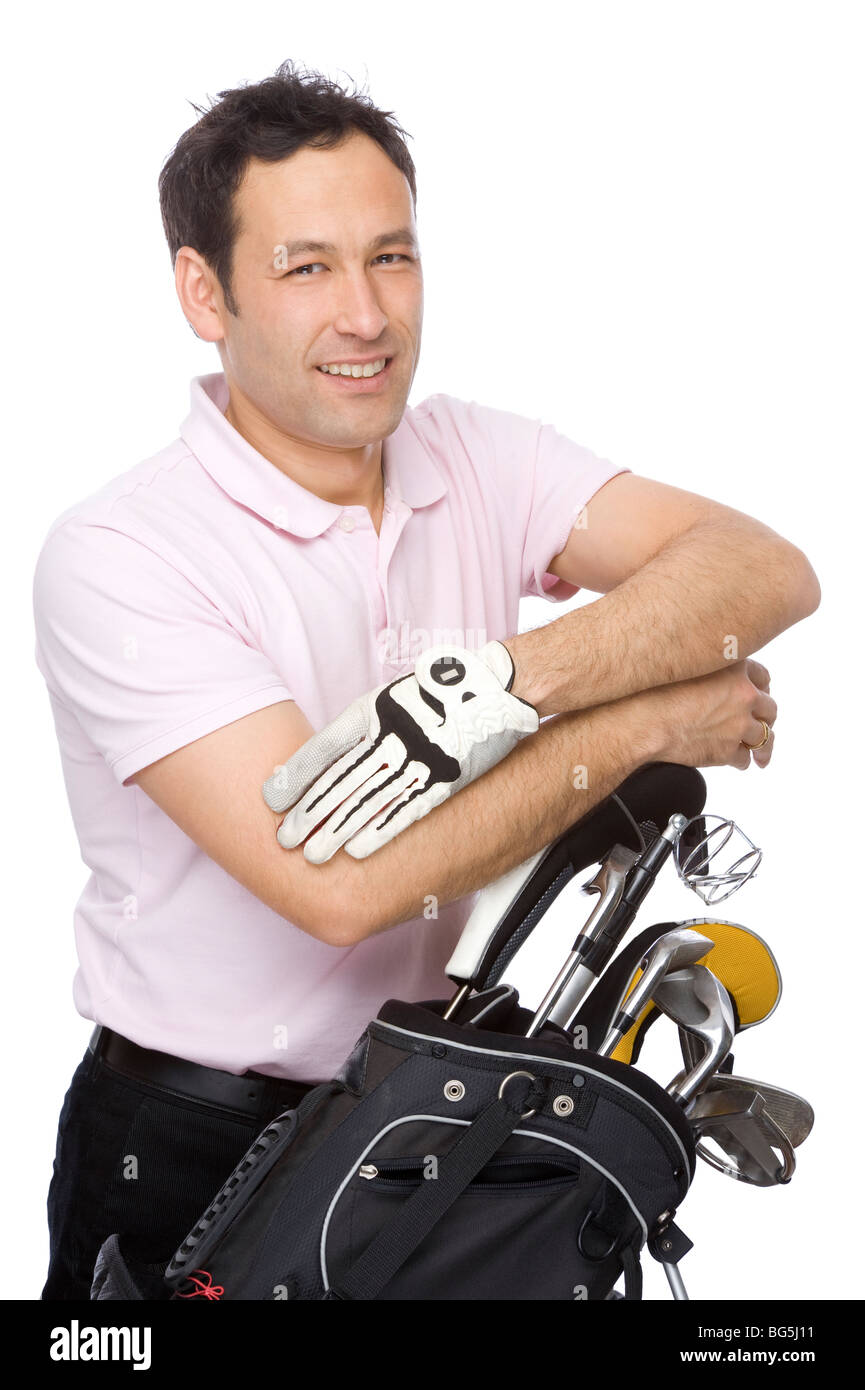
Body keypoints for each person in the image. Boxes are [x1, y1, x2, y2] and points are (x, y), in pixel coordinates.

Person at [32, 58, 820, 1300]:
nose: (365, 314)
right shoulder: (124, 551)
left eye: (389, 257)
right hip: (186, 1141)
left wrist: (511, 677)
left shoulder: (474, 452)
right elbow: (345, 892)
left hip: (431, 1110)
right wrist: (645, 721)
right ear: (204, 290)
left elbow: (761, 567)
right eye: (306, 268)